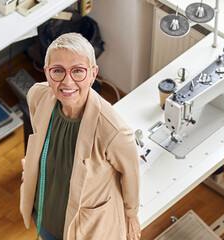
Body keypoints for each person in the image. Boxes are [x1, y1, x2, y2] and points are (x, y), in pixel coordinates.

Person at [19, 33, 141, 240]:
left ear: (93, 74)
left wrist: (131, 214)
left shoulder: (114, 131)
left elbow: (131, 174)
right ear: (47, 72)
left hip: (84, 228)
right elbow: (40, 140)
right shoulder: (37, 96)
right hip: (44, 215)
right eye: (58, 71)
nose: (67, 82)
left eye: (78, 71)